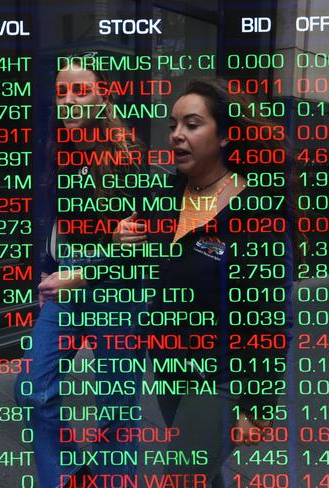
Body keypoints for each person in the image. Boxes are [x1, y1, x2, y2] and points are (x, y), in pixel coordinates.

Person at [115, 78, 294, 487]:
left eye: (192, 124)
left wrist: (259, 404)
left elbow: (269, 319)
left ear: (227, 135)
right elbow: (148, 260)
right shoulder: (169, 193)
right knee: (204, 473)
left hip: (222, 376)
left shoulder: (257, 213)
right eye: (174, 124)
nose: (177, 134)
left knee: (180, 477)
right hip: (169, 365)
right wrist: (119, 244)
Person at [14, 54, 150, 488]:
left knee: (116, 406)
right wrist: (50, 269)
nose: (70, 101)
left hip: (118, 293)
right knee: (32, 387)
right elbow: (60, 225)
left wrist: (87, 265)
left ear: (102, 94)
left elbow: (136, 246)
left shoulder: (127, 155)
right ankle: (72, 474)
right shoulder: (58, 151)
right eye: (62, 92)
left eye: (81, 90)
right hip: (68, 286)